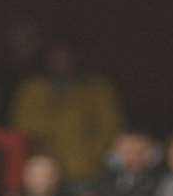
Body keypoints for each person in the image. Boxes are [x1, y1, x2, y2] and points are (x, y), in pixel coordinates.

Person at [8, 43, 123, 184]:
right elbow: (23, 123)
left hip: (85, 169)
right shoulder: (34, 89)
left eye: (67, 58)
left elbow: (110, 128)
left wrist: (93, 155)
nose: (62, 63)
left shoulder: (96, 88)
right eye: (56, 58)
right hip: (43, 169)